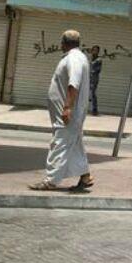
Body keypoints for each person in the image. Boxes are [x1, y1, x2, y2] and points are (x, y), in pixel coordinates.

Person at [29, 30, 93, 191]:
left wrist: (67, 108)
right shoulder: (76, 57)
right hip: (68, 114)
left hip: (68, 114)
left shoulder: (74, 59)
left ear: (64, 43)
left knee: (60, 143)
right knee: (74, 144)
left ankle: (51, 181)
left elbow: (74, 83)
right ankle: (85, 176)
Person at [88, 45, 102, 116]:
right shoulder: (90, 59)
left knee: (92, 93)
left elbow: (98, 70)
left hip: (94, 78)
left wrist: (91, 72)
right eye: (93, 50)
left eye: (96, 50)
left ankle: (95, 110)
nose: (94, 52)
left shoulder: (98, 60)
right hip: (88, 77)